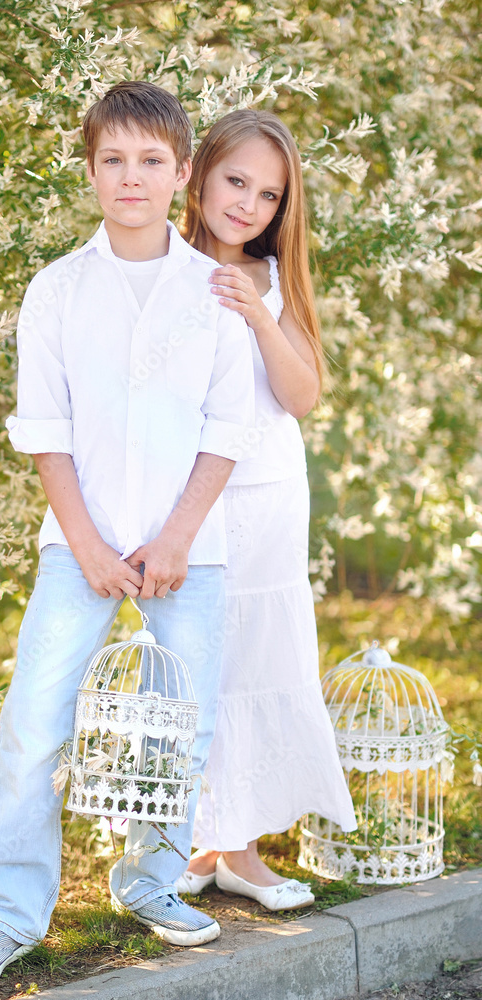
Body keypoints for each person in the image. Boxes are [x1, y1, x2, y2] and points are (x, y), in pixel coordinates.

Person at [0, 82, 255, 994]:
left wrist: (175, 538)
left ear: (181, 173)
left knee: (178, 725)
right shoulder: (58, 290)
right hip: (77, 544)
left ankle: (151, 882)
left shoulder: (214, 292)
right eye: (112, 159)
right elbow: (47, 431)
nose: (130, 177)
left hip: (190, 551)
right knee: (35, 722)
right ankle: (5, 914)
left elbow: (226, 427)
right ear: (89, 170)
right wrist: (87, 547)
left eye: (150, 160)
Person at [174, 109, 357, 910]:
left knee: (257, 660)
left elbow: (300, 394)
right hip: (187, 498)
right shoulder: (162, 266)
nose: (247, 204)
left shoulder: (273, 276)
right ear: (199, 175)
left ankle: (240, 848)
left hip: (267, 492)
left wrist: (255, 312)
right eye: (236, 181)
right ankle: (201, 837)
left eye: (268, 195)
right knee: (195, 661)